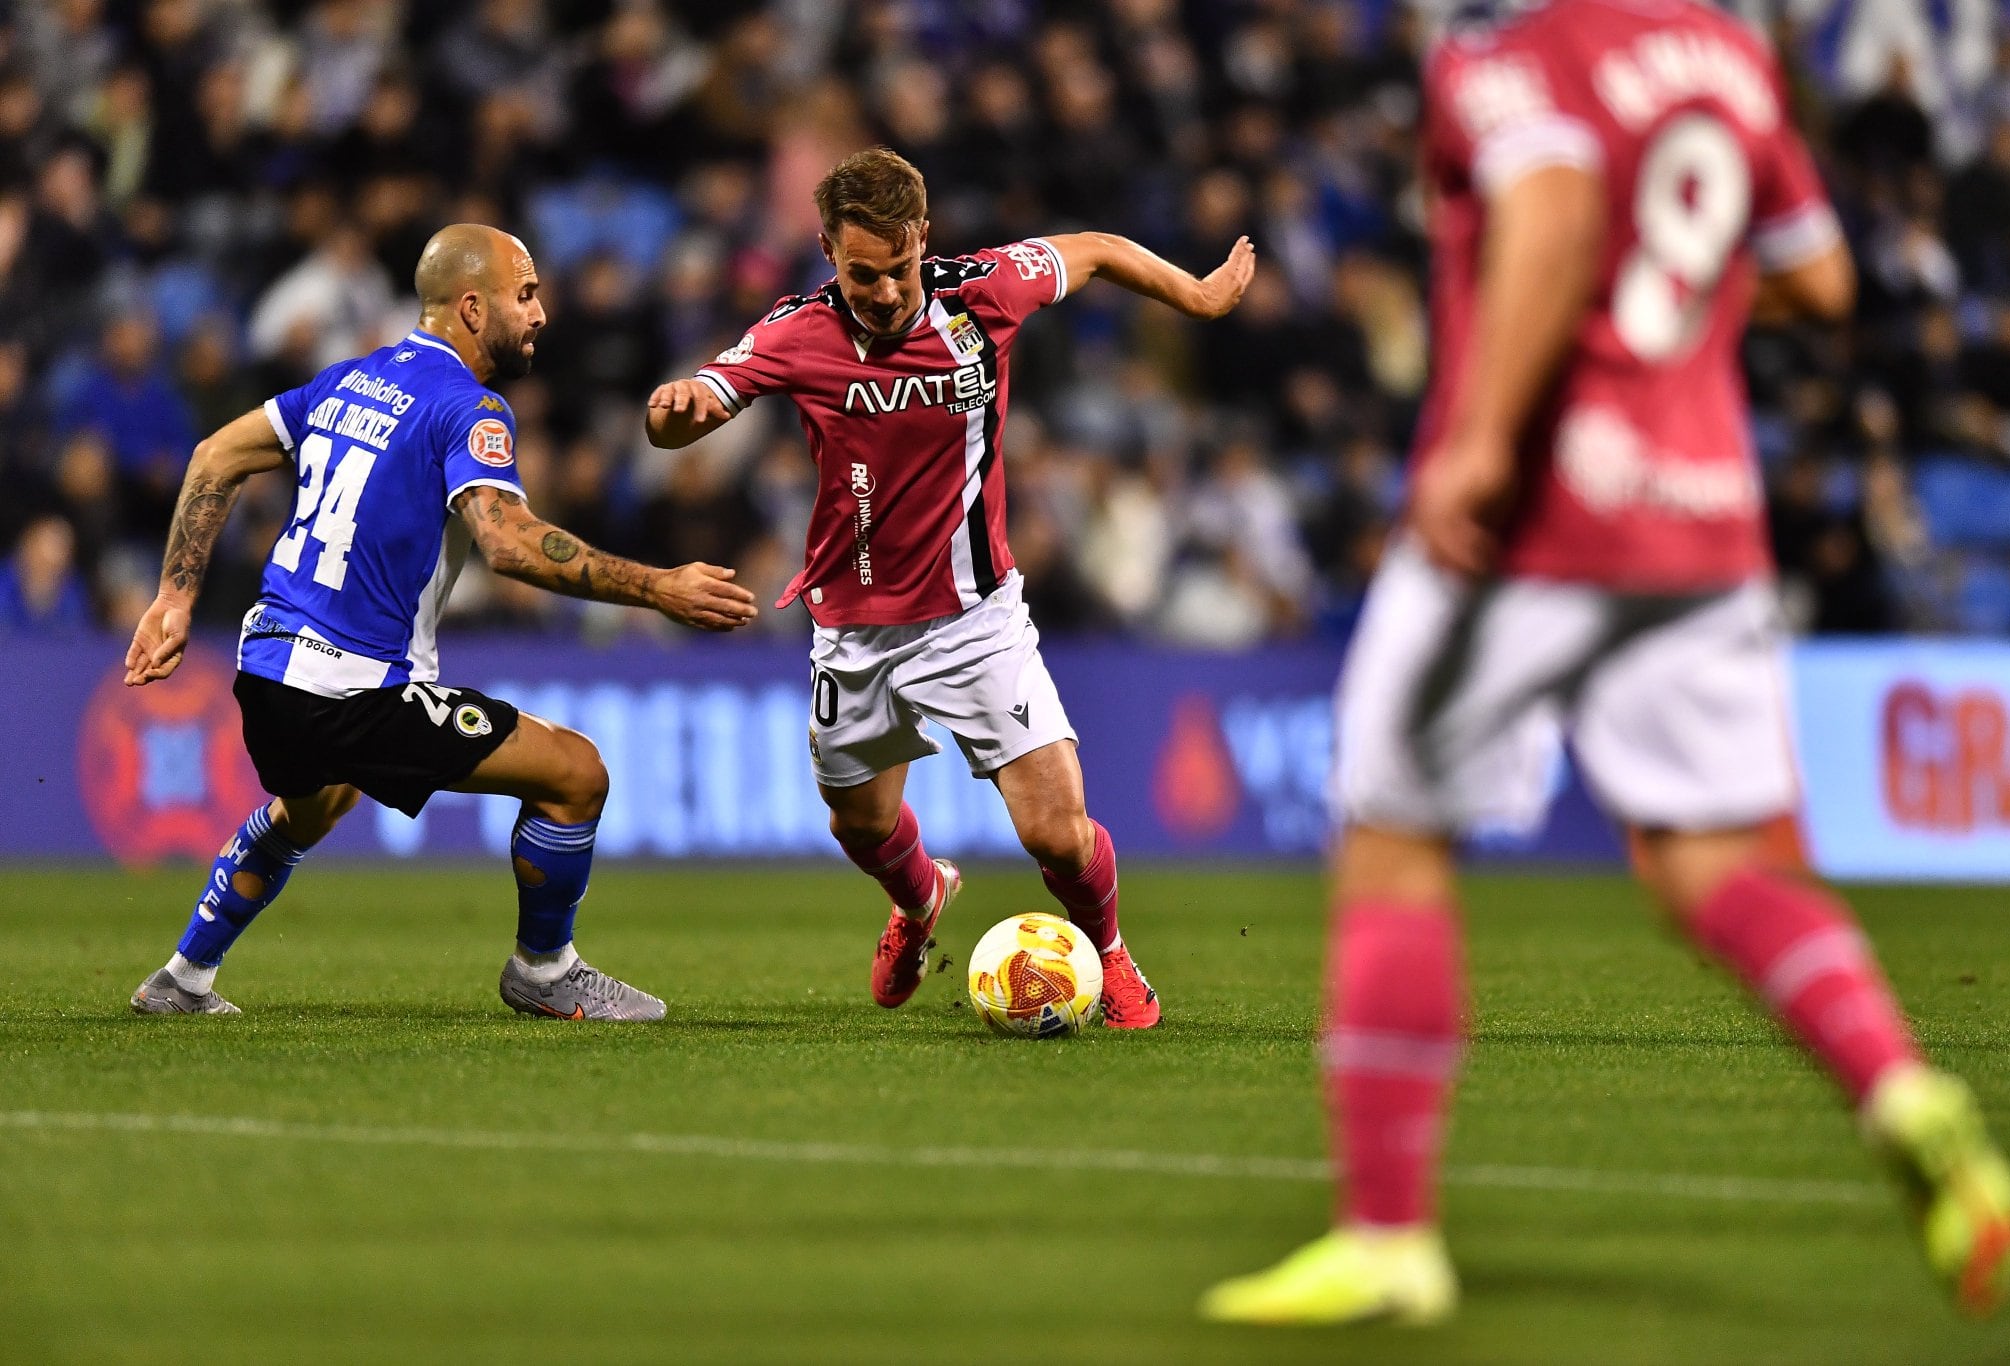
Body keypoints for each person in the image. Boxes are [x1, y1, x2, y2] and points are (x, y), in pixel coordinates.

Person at [1201, 0, 2010, 1327]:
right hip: (1701, 519)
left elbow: (1557, 208)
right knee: (1714, 861)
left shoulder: (1506, 58)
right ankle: (1900, 1085)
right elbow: (1823, 284)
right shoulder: (1733, 62)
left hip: (1528, 513)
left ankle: (1390, 1233)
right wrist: (1675, 315)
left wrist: (1480, 437)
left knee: (1396, 838)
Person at [646, 148, 1256, 1027]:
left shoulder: (986, 291)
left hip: (977, 618)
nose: (886, 293)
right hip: (852, 630)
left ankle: (1114, 956)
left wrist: (1193, 295)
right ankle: (922, 897)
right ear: (826, 250)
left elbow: (1095, 248)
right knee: (860, 828)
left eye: (898, 271)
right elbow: (704, 397)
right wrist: (677, 413)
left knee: (1056, 830)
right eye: (863, 276)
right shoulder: (796, 332)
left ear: (922, 241)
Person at [126, 224, 758, 1019]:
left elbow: (216, 454)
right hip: (353, 686)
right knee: (576, 774)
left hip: (266, 670)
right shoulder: (469, 408)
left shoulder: (348, 380)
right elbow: (511, 544)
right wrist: (658, 586)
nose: (540, 313)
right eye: (524, 294)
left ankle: (183, 977)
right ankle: (545, 969)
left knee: (317, 804)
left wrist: (175, 597)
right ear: (470, 306)